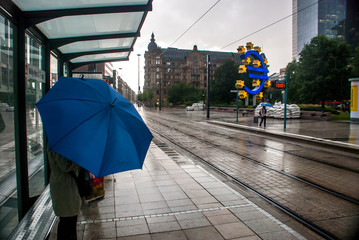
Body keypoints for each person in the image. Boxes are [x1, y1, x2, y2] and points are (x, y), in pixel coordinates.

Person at [48, 150, 81, 240]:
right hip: (64, 186)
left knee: (69, 220)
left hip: (66, 185)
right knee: (67, 221)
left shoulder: (57, 142)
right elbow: (65, 166)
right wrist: (79, 160)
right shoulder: (58, 147)